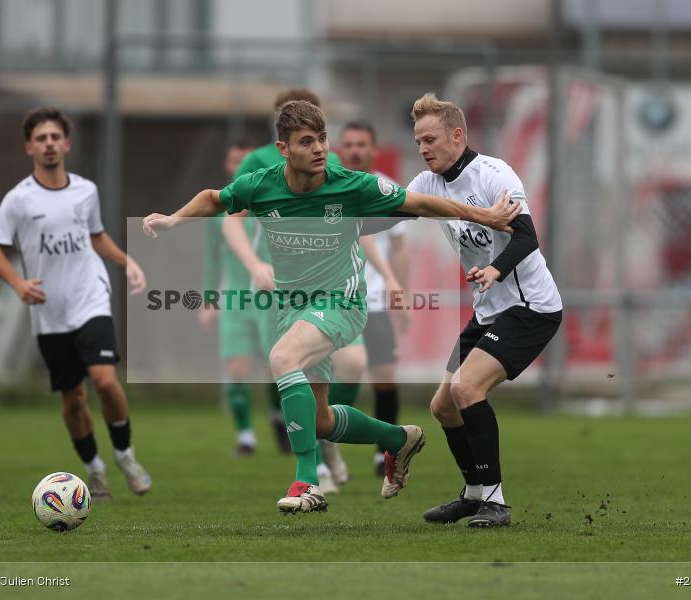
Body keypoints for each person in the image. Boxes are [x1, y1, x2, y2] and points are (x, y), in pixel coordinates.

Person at [143, 100, 520, 513]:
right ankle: (400, 439)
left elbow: (421, 204)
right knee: (320, 420)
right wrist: (173, 219)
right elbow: (216, 198)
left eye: (322, 139)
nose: (320, 148)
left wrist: (483, 215)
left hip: (342, 300)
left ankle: (307, 481)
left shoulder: (351, 185)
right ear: (284, 149)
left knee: (282, 358)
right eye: (307, 142)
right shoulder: (261, 184)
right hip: (294, 308)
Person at [406, 93, 563, 527]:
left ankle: (496, 501)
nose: (423, 148)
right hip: (489, 312)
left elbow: (527, 236)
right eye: (418, 141)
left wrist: (495, 269)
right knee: (443, 406)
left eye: (431, 139)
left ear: (457, 135)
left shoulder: (495, 175)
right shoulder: (426, 184)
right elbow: (390, 210)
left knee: (467, 389)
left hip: (530, 307)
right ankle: (474, 494)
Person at [0, 107, 152, 502]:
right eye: (40, 138)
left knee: (107, 381)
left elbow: (96, 236)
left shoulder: (85, 190)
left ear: (66, 144)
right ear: (30, 147)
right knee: (73, 398)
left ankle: (125, 455)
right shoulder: (18, 200)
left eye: (54, 137)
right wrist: (18, 283)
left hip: (89, 296)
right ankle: (94, 470)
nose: (49, 144)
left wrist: (128, 262)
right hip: (49, 311)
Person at [223, 88, 369, 495]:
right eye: (303, 134)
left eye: (320, 132)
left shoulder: (330, 163)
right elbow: (229, 218)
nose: (317, 144)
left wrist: (388, 274)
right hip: (282, 288)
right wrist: (255, 266)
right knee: (288, 364)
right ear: (281, 138)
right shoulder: (258, 165)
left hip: (336, 289)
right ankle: (315, 465)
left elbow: (358, 222)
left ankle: (325, 442)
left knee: (351, 363)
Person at [199, 140, 291, 455]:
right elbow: (212, 259)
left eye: (245, 160)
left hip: (271, 296)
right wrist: (209, 300)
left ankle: (280, 419)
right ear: (229, 166)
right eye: (234, 160)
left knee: (276, 367)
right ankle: (246, 437)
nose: (240, 166)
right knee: (238, 367)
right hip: (236, 299)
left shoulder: (270, 203)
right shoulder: (219, 212)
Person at [338, 119, 411, 477]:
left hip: (377, 300)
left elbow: (399, 246)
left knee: (385, 376)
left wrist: (403, 292)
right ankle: (327, 444)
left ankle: (385, 454)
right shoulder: (329, 187)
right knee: (340, 372)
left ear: (373, 149)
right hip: (336, 299)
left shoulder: (386, 189)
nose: (354, 150)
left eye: (361, 144)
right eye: (348, 144)